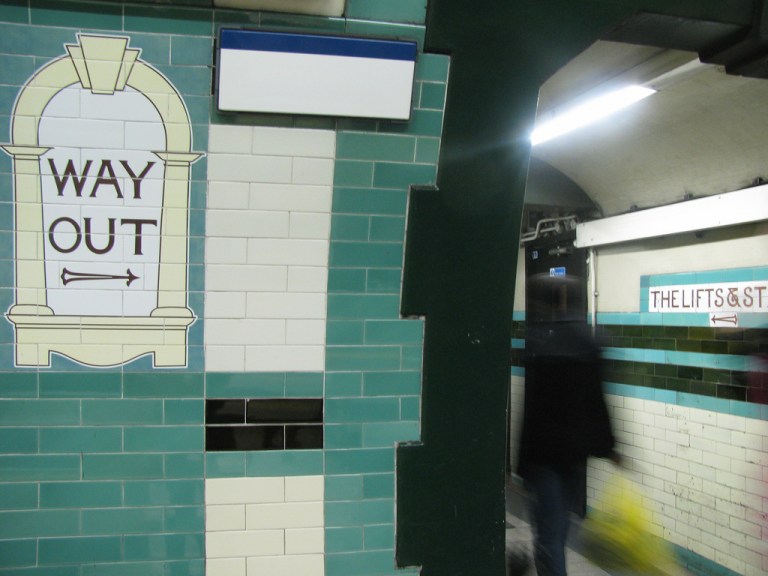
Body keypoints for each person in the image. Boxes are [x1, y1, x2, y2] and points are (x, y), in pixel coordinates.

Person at [516, 275, 620, 576]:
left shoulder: (538, 343)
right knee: (559, 527)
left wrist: (522, 464)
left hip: (541, 456)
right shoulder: (589, 342)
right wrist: (608, 447)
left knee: (548, 534)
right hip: (574, 456)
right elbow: (598, 401)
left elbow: (530, 408)